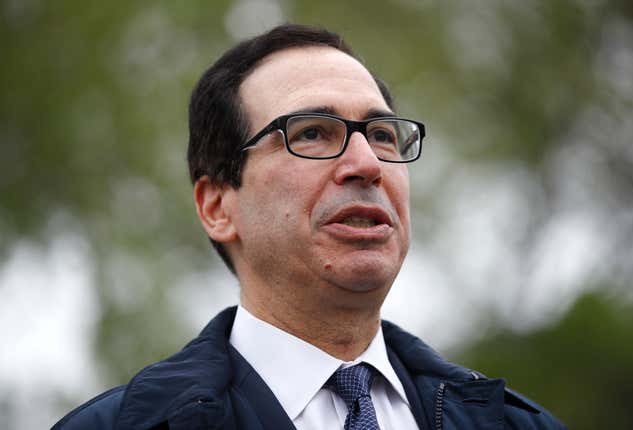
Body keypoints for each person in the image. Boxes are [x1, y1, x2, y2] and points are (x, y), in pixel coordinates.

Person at [52, 24, 566, 430]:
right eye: (313, 133)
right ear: (217, 207)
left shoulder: (519, 424)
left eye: (383, 134)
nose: (366, 164)